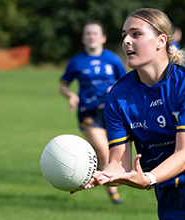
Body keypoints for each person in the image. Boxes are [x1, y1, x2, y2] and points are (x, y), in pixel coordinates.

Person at [78, 8, 185, 219]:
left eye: (136, 34)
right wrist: (102, 176)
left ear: (161, 40)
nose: (126, 42)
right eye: (124, 35)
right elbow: (119, 163)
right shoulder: (117, 96)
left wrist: (149, 178)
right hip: (169, 188)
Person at [59, 20, 126, 204]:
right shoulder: (76, 62)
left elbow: (127, 82)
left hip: (111, 113)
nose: (91, 36)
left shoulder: (112, 59)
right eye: (87, 33)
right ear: (83, 38)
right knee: (104, 150)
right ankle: (114, 194)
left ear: (103, 38)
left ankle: (87, 168)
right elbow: (63, 85)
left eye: (95, 33)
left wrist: (115, 88)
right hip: (87, 112)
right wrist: (71, 96)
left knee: (112, 151)